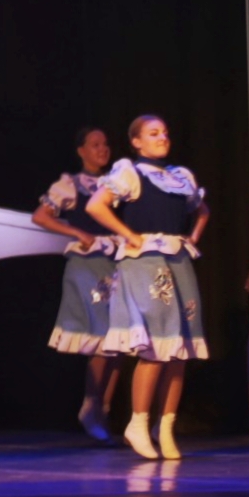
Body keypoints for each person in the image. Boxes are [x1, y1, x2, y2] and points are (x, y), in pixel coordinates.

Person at [86, 115, 210, 461]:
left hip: (178, 259)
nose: (162, 137)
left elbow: (202, 211)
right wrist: (129, 235)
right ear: (136, 141)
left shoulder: (180, 176)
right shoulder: (130, 172)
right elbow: (95, 205)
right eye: (153, 133)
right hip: (145, 262)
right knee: (155, 345)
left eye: (165, 133)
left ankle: (165, 427)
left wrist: (193, 237)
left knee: (178, 349)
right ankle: (138, 423)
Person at [34, 125, 124, 440]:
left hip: (117, 262)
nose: (102, 149)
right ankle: (92, 403)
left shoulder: (118, 182)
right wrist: (76, 232)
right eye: (95, 144)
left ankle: (103, 408)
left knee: (120, 340)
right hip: (87, 265)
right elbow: (41, 216)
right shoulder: (71, 184)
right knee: (101, 336)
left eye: (105, 143)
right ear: (81, 151)